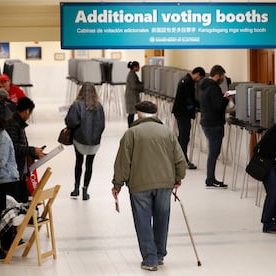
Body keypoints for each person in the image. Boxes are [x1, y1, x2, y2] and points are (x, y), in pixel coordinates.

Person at [111, 101, 187, 271]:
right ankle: (159, 254)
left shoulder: (131, 133)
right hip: (164, 184)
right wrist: (178, 178)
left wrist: (117, 184)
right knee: (162, 219)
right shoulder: (167, 132)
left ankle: (150, 259)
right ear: (155, 114)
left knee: (143, 221)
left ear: (139, 114)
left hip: (139, 185)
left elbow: (123, 163)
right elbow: (180, 159)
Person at [65, 82, 105, 200]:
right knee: (89, 164)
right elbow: (102, 125)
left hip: (79, 139)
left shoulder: (77, 105)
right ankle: (85, 190)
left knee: (79, 162)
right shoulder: (99, 106)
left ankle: (76, 188)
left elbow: (71, 122)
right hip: (94, 141)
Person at [6, 97, 46, 203]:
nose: (29, 116)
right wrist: (32, 150)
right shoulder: (13, 124)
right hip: (15, 172)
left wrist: (35, 154)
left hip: (20, 172)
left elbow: (20, 146)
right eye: (30, 113)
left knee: (23, 201)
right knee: (19, 202)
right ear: (27, 111)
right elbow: (13, 148)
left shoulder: (18, 124)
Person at [198, 65, 230, 188]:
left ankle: (210, 178)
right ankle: (210, 179)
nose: (223, 79)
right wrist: (226, 99)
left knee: (212, 152)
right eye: (222, 76)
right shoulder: (213, 87)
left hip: (206, 122)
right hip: (214, 124)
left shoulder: (203, 86)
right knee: (214, 153)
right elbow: (218, 107)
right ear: (217, 75)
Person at [172, 67, 205, 170]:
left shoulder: (184, 80)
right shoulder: (188, 82)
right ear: (197, 74)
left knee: (182, 136)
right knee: (184, 137)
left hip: (179, 112)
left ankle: (177, 159)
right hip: (183, 113)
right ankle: (183, 160)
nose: (199, 80)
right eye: (200, 78)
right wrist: (199, 106)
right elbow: (189, 99)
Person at [125, 61, 144, 128]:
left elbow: (137, 83)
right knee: (131, 113)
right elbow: (134, 86)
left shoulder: (133, 74)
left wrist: (142, 85)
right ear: (134, 67)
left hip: (132, 96)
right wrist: (143, 86)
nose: (139, 68)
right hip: (131, 97)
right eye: (138, 66)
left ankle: (131, 126)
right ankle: (130, 127)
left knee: (132, 113)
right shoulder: (132, 75)